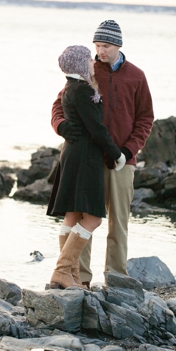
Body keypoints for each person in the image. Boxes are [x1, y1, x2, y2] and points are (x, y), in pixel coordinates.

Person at [51, 20, 154, 287]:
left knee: (118, 224)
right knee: (85, 218)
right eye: (97, 45)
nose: (100, 51)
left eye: (105, 45)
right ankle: (80, 278)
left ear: (118, 45)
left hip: (122, 161)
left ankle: (116, 279)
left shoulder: (136, 76)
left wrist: (128, 150)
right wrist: (61, 127)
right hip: (89, 159)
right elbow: (60, 104)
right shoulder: (86, 70)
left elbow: (145, 118)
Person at [46, 45, 125, 289]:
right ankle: (62, 271)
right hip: (84, 157)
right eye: (88, 58)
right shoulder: (80, 90)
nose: (93, 61)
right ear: (80, 64)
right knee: (93, 219)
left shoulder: (73, 88)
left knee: (72, 214)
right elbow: (97, 129)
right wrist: (116, 154)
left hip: (72, 155)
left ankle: (72, 276)